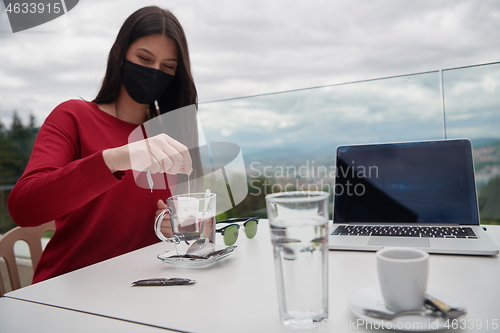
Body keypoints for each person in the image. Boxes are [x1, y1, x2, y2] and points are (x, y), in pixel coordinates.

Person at [7, 6, 199, 283]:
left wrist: (174, 226)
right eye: (144, 58)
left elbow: (188, 224)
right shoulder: (73, 116)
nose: (155, 72)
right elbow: (24, 208)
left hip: (148, 287)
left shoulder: (172, 134)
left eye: (168, 67)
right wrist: (115, 159)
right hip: (69, 289)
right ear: (120, 54)